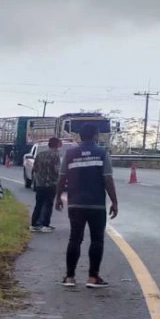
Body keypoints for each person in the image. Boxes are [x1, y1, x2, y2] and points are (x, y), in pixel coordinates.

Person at [55, 122, 118, 289]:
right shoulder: (102, 153)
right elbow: (107, 179)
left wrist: (58, 197)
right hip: (96, 205)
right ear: (96, 136)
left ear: (80, 136)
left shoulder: (70, 154)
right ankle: (93, 277)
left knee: (75, 238)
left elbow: (62, 177)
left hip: (75, 204)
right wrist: (114, 201)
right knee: (97, 240)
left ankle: (69, 277)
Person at [30, 136, 62, 233]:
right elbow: (56, 170)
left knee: (38, 204)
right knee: (48, 205)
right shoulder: (55, 156)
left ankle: (34, 225)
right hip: (51, 184)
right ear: (57, 145)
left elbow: (34, 168)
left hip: (40, 184)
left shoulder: (40, 155)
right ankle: (45, 225)